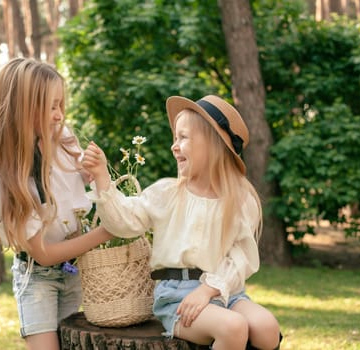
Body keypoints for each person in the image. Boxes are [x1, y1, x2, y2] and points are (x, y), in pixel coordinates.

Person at [82, 95, 282, 350]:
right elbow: (123, 222)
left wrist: (209, 290)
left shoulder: (240, 200)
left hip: (224, 292)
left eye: (183, 137)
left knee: (267, 328)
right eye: (175, 138)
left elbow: (241, 259)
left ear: (214, 144)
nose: (174, 146)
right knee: (233, 328)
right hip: (178, 297)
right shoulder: (167, 193)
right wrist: (101, 177)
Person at [0, 57, 113, 350]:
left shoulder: (63, 142)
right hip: (38, 280)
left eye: (60, 106)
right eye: (51, 106)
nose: (59, 116)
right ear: (23, 110)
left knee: (81, 343)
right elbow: (43, 254)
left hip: (79, 269)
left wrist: (97, 169)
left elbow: (87, 178)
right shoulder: (1, 184)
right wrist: (105, 233)